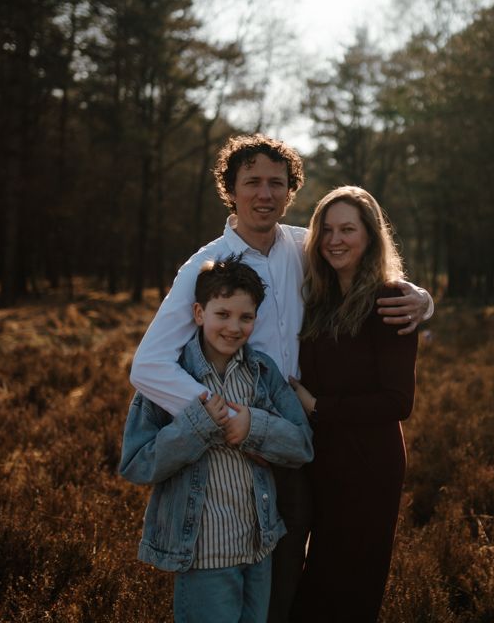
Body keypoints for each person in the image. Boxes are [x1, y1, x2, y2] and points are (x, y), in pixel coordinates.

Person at [129, 133, 433, 623]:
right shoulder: (205, 264)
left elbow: (364, 256)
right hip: (239, 444)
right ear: (231, 189)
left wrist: (421, 297)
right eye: (252, 182)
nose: (265, 194)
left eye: (277, 182)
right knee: (236, 573)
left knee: (296, 578)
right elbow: (147, 366)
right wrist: (223, 415)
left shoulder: (302, 244)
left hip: (302, 440)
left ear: (291, 191)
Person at [118, 256, 313, 623]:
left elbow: (302, 444)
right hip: (203, 554)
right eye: (222, 314)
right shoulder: (169, 378)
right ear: (198, 312)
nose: (233, 327)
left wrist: (253, 426)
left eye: (246, 317)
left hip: (258, 549)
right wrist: (197, 426)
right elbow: (137, 463)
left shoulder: (263, 372)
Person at [287, 186, 418, 623]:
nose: (335, 239)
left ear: (370, 237)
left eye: (348, 229)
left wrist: (319, 405)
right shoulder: (318, 300)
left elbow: (398, 402)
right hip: (319, 460)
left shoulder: (391, 300)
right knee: (316, 576)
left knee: (350, 583)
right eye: (326, 230)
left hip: (368, 465)